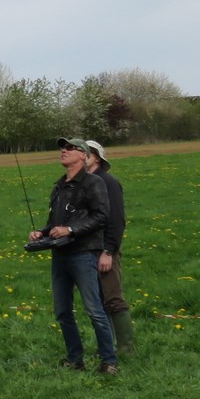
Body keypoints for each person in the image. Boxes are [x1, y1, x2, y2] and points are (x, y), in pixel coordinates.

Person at [29, 138, 118, 374]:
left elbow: (102, 216)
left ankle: (109, 361)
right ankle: (74, 359)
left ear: (84, 155)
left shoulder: (93, 183)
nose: (64, 151)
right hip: (60, 255)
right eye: (62, 147)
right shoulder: (59, 186)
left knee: (94, 310)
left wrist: (71, 230)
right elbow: (54, 222)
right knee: (62, 311)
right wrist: (42, 232)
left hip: (83, 254)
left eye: (70, 148)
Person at [86, 140, 135, 357]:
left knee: (112, 298)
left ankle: (126, 349)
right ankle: (106, 347)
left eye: (84, 152)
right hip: (86, 251)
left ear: (96, 157)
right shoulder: (84, 183)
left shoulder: (109, 183)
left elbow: (117, 221)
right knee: (96, 301)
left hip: (105, 251)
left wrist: (109, 251)